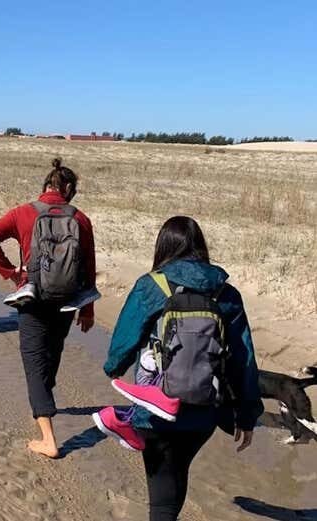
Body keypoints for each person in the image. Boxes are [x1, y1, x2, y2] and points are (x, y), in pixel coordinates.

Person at [102, 216, 263, 521]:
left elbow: (119, 349)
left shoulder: (151, 285)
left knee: (160, 493)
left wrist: (114, 367)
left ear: (163, 246)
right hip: (203, 412)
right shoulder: (226, 294)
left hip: (155, 410)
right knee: (177, 476)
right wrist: (247, 415)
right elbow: (244, 360)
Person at [0, 157, 96, 458]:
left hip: (33, 295)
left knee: (33, 361)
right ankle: (43, 401)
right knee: (51, 354)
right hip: (69, 299)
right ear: (68, 188)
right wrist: (88, 309)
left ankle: (48, 438)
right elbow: (88, 266)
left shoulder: (24, 213)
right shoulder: (81, 219)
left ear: (46, 185)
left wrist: (12, 273)